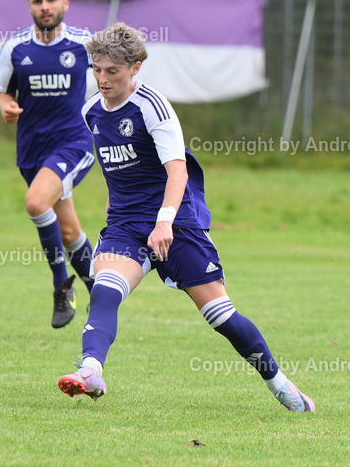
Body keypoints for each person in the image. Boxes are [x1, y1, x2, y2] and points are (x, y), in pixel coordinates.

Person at [57, 23, 315, 412]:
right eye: (97, 69)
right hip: (125, 225)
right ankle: (91, 370)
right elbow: (117, 166)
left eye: (112, 71)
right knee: (104, 292)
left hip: (176, 223)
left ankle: (280, 385)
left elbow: (177, 169)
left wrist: (164, 222)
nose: (103, 79)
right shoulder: (91, 110)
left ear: (135, 67)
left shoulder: (152, 106)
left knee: (221, 316)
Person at [0, 0, 96, 329]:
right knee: (68, 232)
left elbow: (115, 80)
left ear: (65, 2)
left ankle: (60, 286)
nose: (45, 6)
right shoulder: (15, 48)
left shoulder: (85, 44)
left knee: (36, 204)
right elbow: (3, 91)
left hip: (74, 143)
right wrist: (6, 107)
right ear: (29, 7)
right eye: (38, 1)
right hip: (31, 150)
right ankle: (101, 291)